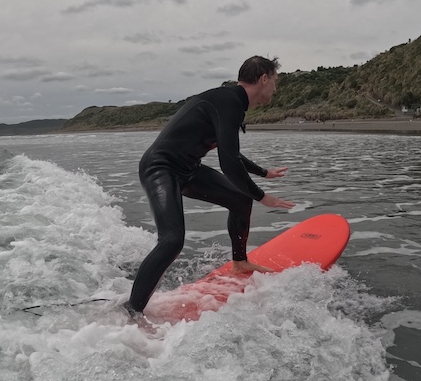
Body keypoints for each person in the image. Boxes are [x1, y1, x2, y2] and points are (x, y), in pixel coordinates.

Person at [124, 55, 294, 321]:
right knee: (172, 240)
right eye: (275, 81)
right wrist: (262, 197)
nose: (276, 87)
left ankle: (240, 262)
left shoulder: (231, 102)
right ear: (263, 79)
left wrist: (263, 172)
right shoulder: (229, 102)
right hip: (160, 168)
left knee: (240, 199)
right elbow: (229, 163)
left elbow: (231, 153)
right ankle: (132, 311)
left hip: (187, 169)